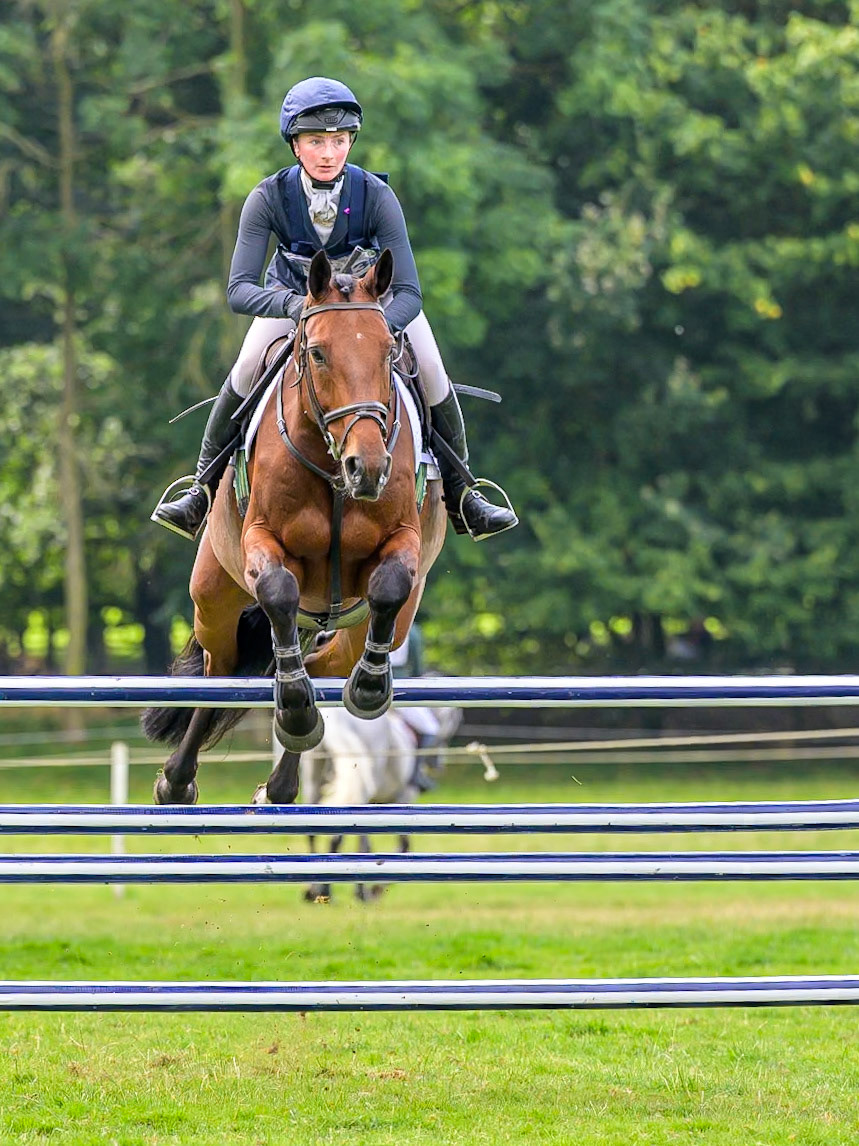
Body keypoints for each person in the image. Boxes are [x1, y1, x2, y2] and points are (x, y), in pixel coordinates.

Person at [152, 76, 518, 543]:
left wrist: (370, 324)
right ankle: (201, 489)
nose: (329, 153)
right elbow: (239, 289)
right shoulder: (266, 198)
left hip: (372, 310)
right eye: (316, 142)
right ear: (295, 145)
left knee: (430, 367)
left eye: (339, 141)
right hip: (293, 302)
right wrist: (297, 307)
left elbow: (409, 291)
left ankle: (465, 494)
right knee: (245, 368)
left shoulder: (378, 196)